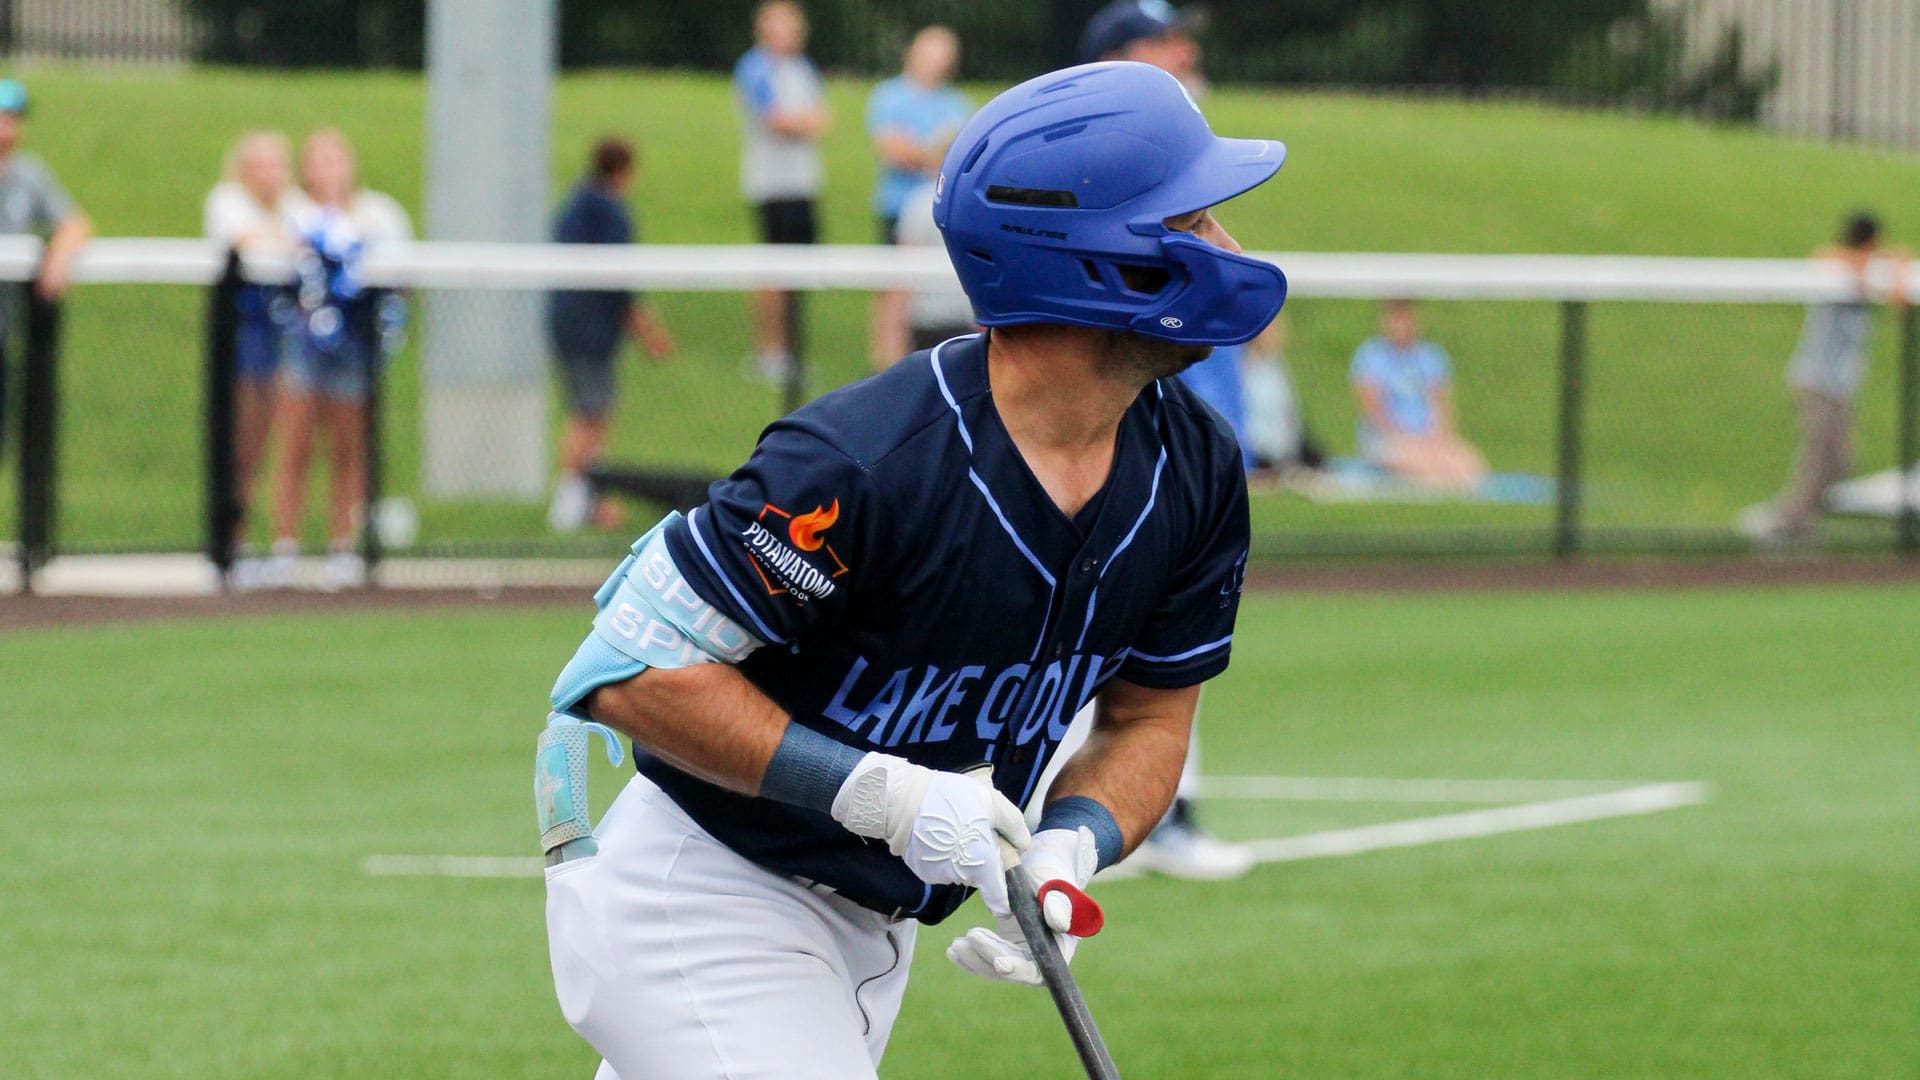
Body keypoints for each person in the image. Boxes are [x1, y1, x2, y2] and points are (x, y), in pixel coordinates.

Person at [540, 62, 1285, 1078]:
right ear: (1094, 261)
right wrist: (882, 795)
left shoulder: (1194, 468)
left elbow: (1151, 721)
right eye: (1192, 222)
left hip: (871, 937)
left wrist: (1073, 841)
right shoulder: (864, 462)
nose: (1229, 251)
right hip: (706, 897)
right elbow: (626, 669)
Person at [1055, 0, 1250, 881]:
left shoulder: (1187, 159)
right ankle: (1099, 816)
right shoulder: (1105, 179)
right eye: (1152, 44)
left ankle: (1157, 816)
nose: (1177, 53)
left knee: (1167, 642)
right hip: (1111, 426)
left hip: (1182, 432)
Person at [264, 129, 412, 590]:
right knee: (295, 443)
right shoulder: (293, 213)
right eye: (317, 160)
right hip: (304, 344)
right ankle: (284, 548)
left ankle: (342, 547)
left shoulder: (378, 214)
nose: (327, 169)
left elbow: (400, 276)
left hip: (355, 349)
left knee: (348, 448)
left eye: (335, 158)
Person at [1742, 212, 1912, 546]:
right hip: (1817, 381)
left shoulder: (1872, 269)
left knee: (1841, 461)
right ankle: (1781, 524)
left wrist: (1890, 266)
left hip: (1840, 387)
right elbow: (1826, 258)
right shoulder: (1836, 268)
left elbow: (1901, 291)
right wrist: (1882, 269)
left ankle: (1797, 522)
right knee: (1819, 457)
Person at [546, 137, 677, 534]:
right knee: (591, 415)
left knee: (587, 411)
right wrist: (649, 334)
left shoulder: (574, 204)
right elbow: (619, 287)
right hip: (590, 331)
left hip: (564, 325)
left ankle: (585, 499)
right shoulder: (610, 214)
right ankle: (573, 502)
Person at [204, 131, 309, 574]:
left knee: (284, 439)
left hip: (285, 331)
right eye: (259, 164)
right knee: (243, 441)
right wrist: (284, 240)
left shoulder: (295, 207)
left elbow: (315, 241)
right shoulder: (226, 200)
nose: (269, 174)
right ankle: (233, 544)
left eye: (276, 164)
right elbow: (244, 240)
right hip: (243, 335)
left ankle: (283, 546)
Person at [733, 1, 828, 384]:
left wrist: (803, 122)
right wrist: (801, 123)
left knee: (800, 270)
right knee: (773, 267)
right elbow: (775, 120)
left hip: (804, 181)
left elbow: (821, 117)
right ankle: (768, 351)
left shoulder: (803, 69)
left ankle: (792, 350)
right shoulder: (756, 67)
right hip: (771, 184)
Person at [864, 26, 971, 368]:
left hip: (945, 213)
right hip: (898, 206)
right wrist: (934, 155)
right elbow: (895, 150)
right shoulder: (889, 97)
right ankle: (886, 358)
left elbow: (962, 156)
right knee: (893, 287)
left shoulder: (957, 103)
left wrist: (925, 153)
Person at [0, 78, 91, 462]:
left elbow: (74, 223)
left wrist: (58, 256)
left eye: (13, 119)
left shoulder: (27, 175)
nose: (8, 129)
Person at [1350, 299, 1487, 489]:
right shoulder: (1371, 356)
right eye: (1395, 319)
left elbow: (1441, 405)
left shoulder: (1431, 356)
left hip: (1427, 438)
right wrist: (1405, 438)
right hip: (1388, 438)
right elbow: (1373, 408)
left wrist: (1438, 438)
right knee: (1423, 467)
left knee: (1471, 467)